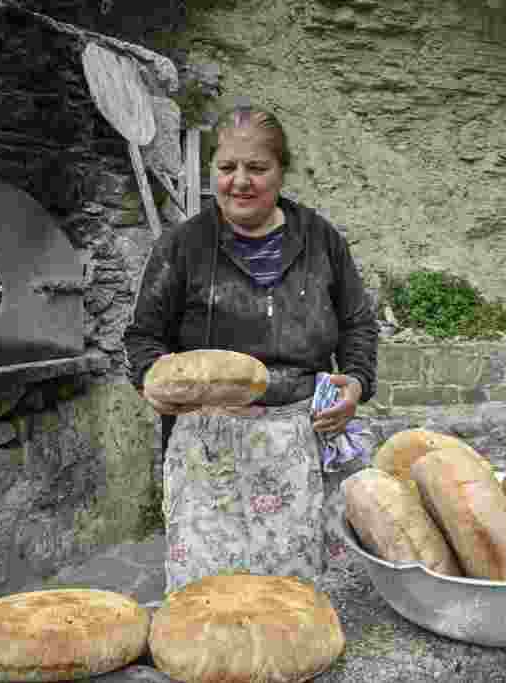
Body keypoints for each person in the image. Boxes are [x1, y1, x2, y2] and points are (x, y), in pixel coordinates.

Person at [125, 104, 379, 596]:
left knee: (296, 597)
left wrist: (357, 380)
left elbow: (358, 325)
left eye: (257, 168)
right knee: (210, 596)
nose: (240, 181)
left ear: (282, 171)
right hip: (208, 449)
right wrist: (149, 377)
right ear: (213, 171)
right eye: (226, 168)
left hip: (304, 439)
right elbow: (142, 336)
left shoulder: (320, 239)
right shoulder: (183, 246)